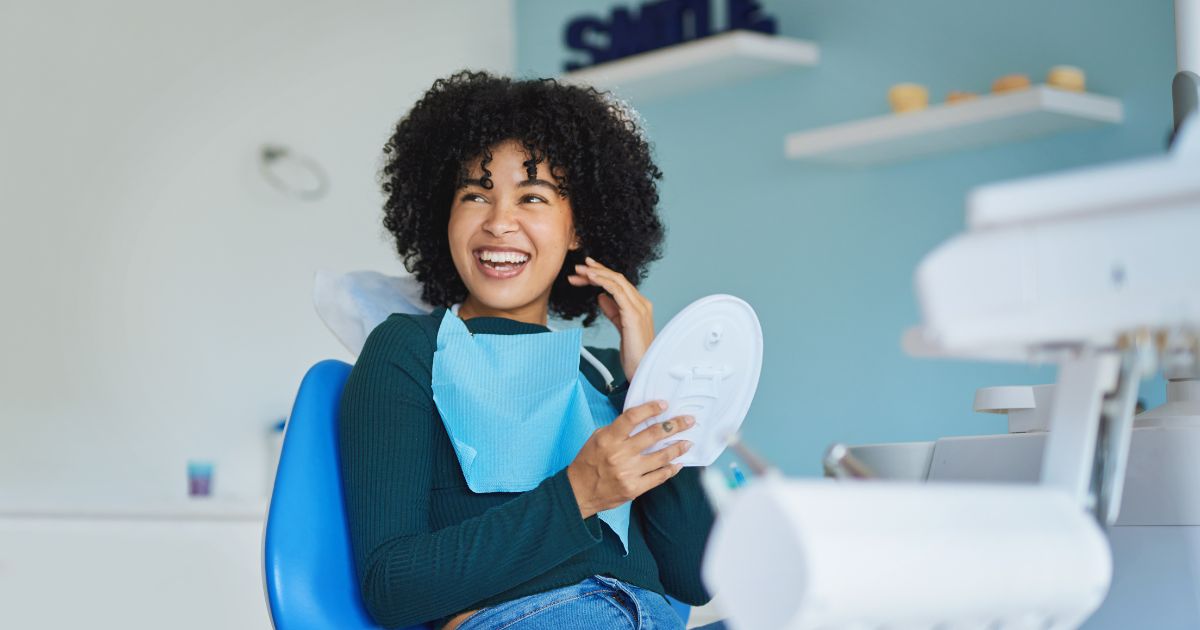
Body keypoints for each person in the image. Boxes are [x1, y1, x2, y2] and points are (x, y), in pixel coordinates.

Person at [339, 70, 715, 630]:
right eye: (475, 194)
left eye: (532, 196)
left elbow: (696, 576)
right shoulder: (409, 351)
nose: (498, 223)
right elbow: (392, 586)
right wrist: (578, 492)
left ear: (578, 227)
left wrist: (653, 383)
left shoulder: (608, 376)